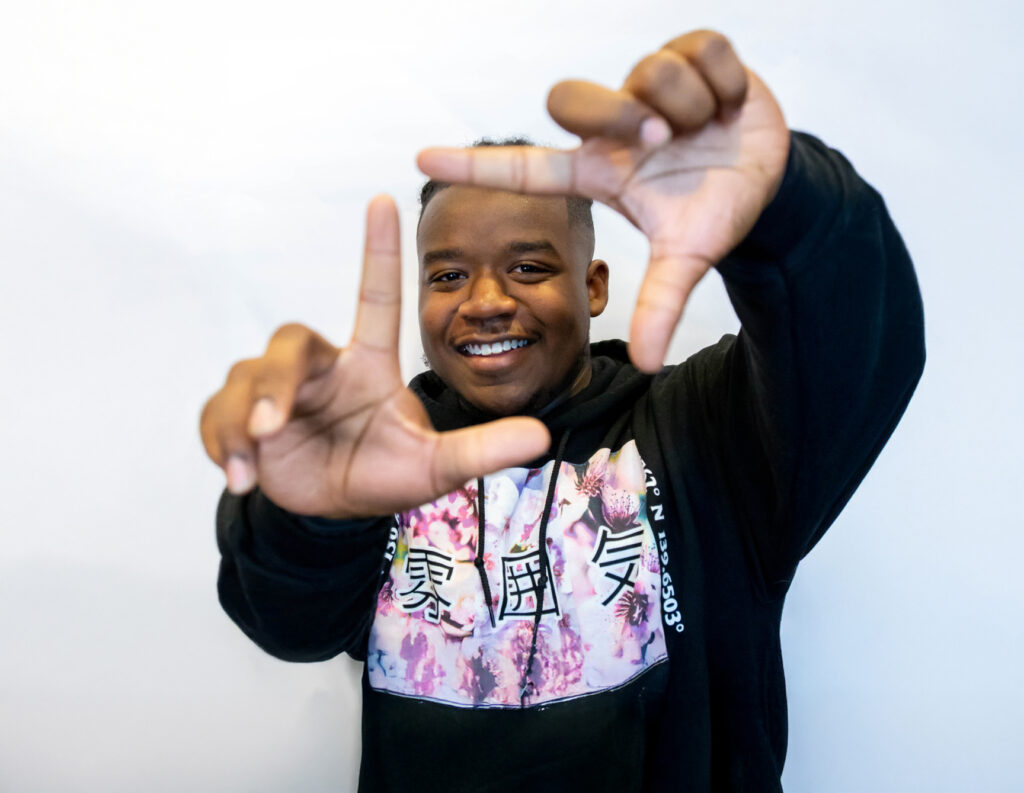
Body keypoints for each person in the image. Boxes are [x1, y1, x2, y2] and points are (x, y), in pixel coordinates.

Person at [201, 30, 924, 793]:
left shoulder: (704, 432)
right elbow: (288, 624)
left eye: (528, 267)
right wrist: (310, 515)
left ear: (594, 285)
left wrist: (783, 208)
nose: (483, 301)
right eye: (448, 275)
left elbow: (854, 342)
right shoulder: (379, 457)